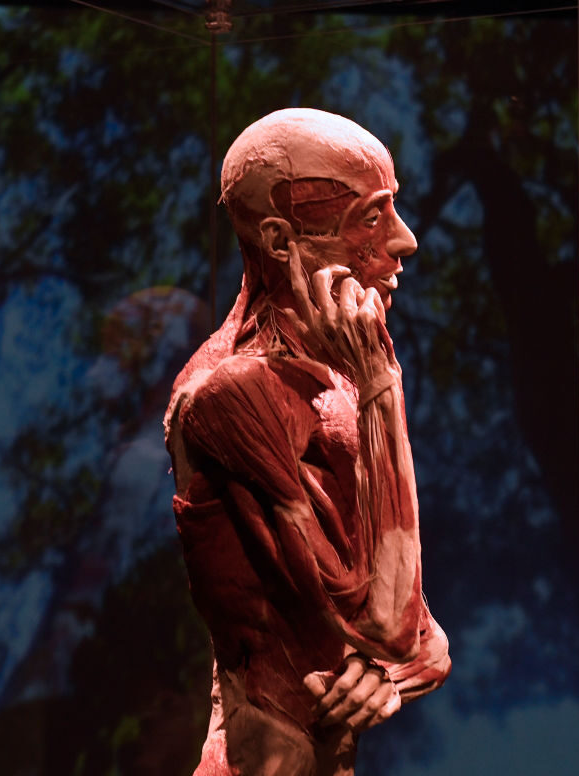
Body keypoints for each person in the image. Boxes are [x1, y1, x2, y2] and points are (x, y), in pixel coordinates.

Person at [163, 109, 450, 776]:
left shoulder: (333, 377)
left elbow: (424, 643)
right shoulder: (231, 394)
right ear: (280, 240)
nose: (404, 241)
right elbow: (394, 627)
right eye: (372, 217)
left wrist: (391, 667)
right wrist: (383, 385)